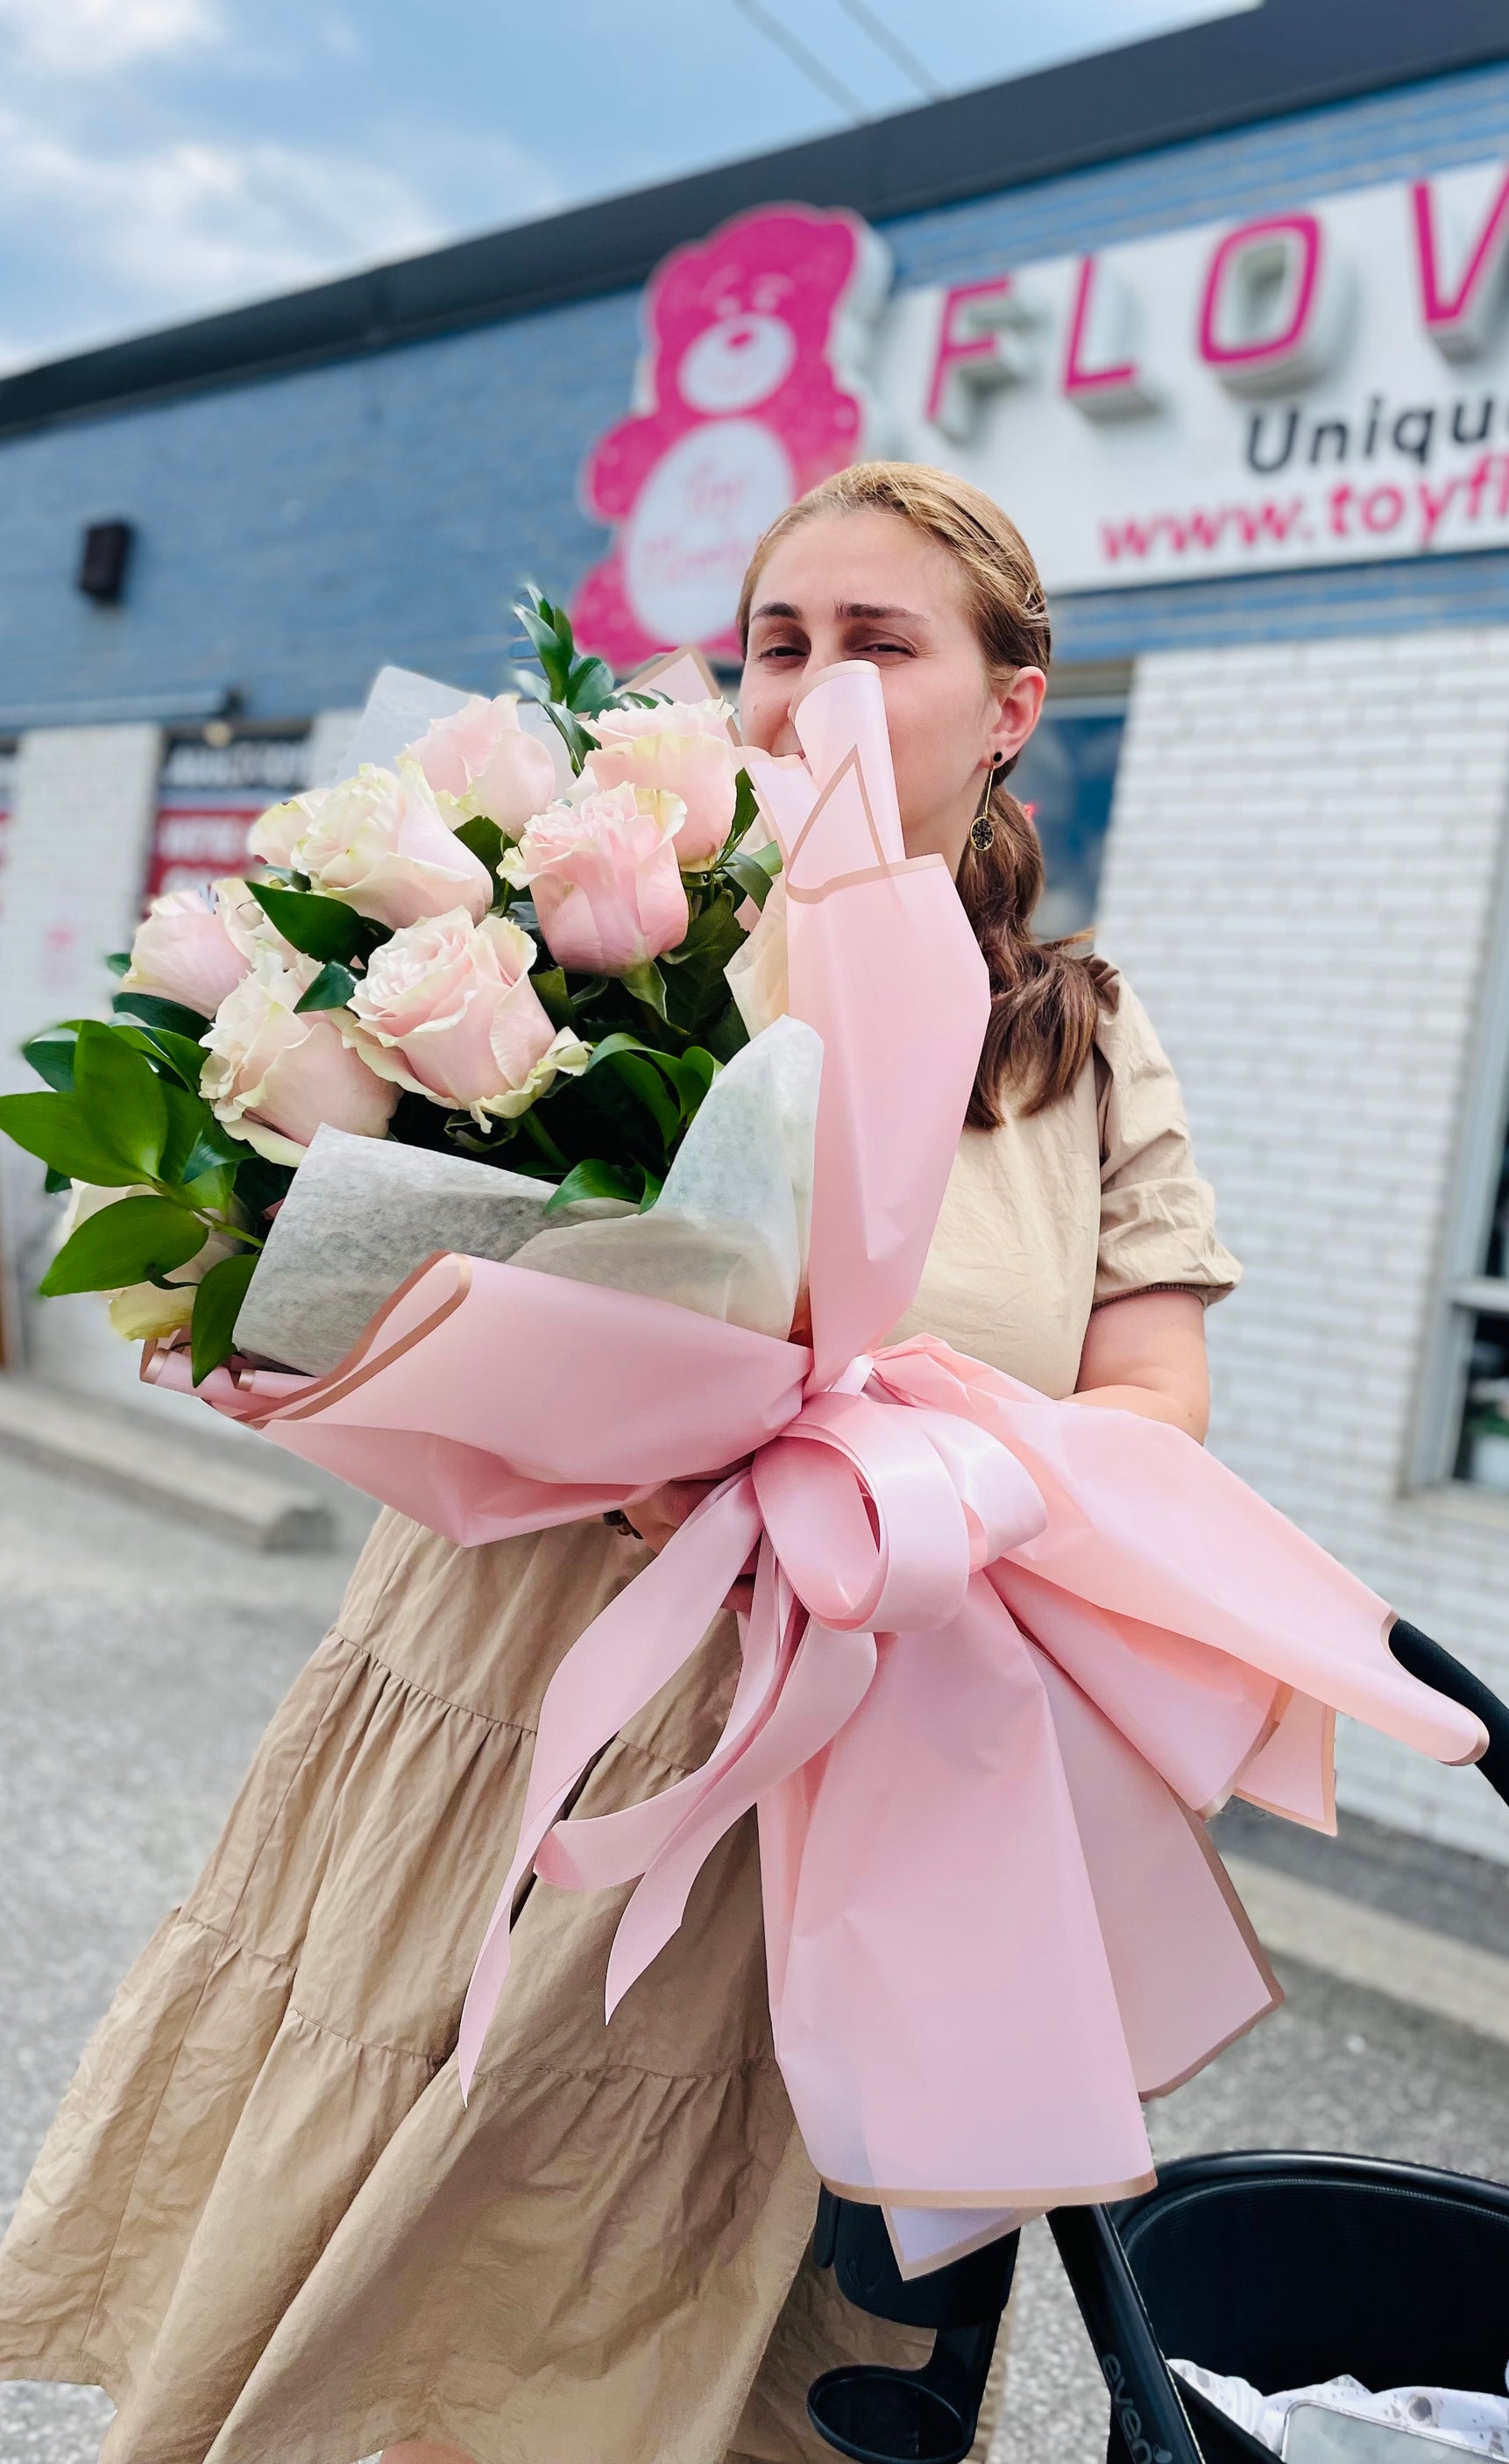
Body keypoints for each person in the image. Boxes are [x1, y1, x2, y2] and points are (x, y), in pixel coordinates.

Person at [0, 463, 1241, 2464]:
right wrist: (271, 1296)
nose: (808, 691)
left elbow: (1152, 1404)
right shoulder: (604, 944)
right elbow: (433, 1290)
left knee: (711, 2337)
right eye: (777, 643)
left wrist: (880, 1482)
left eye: (879, 644)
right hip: (513, 1726)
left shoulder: (1077, 1040)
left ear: (1009, 706)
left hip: (851, 1782)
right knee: (411, 2276)